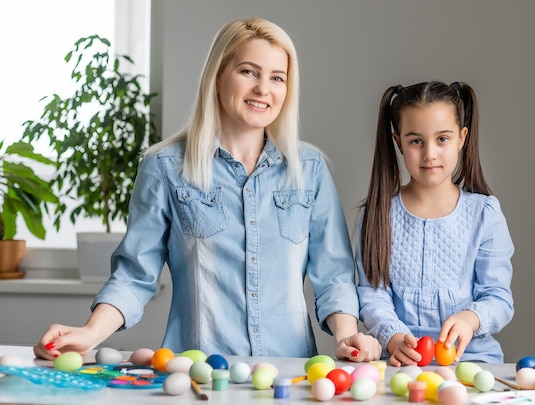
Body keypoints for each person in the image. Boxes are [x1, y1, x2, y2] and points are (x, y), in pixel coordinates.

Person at [34, 17, 381, 362]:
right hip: (197, 375)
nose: (263, 88)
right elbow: (135, 276)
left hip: (289, 375)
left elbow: (333, 275)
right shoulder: (165, 167)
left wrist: (348, 336)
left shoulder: (310, 170)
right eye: (248, 72)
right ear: (217, 77)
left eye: (277, 78)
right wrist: (90, 333)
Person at [355, 81, 514, 366]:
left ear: (462, 138)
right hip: (399, 364)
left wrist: (471, 318)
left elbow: (498, 297)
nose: (430, 153)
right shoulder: (376, 215)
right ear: (398, 141)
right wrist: (393, 336)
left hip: (472, 363)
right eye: (416, 141)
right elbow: (372, 294)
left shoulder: (484, 214)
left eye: (443, 139)